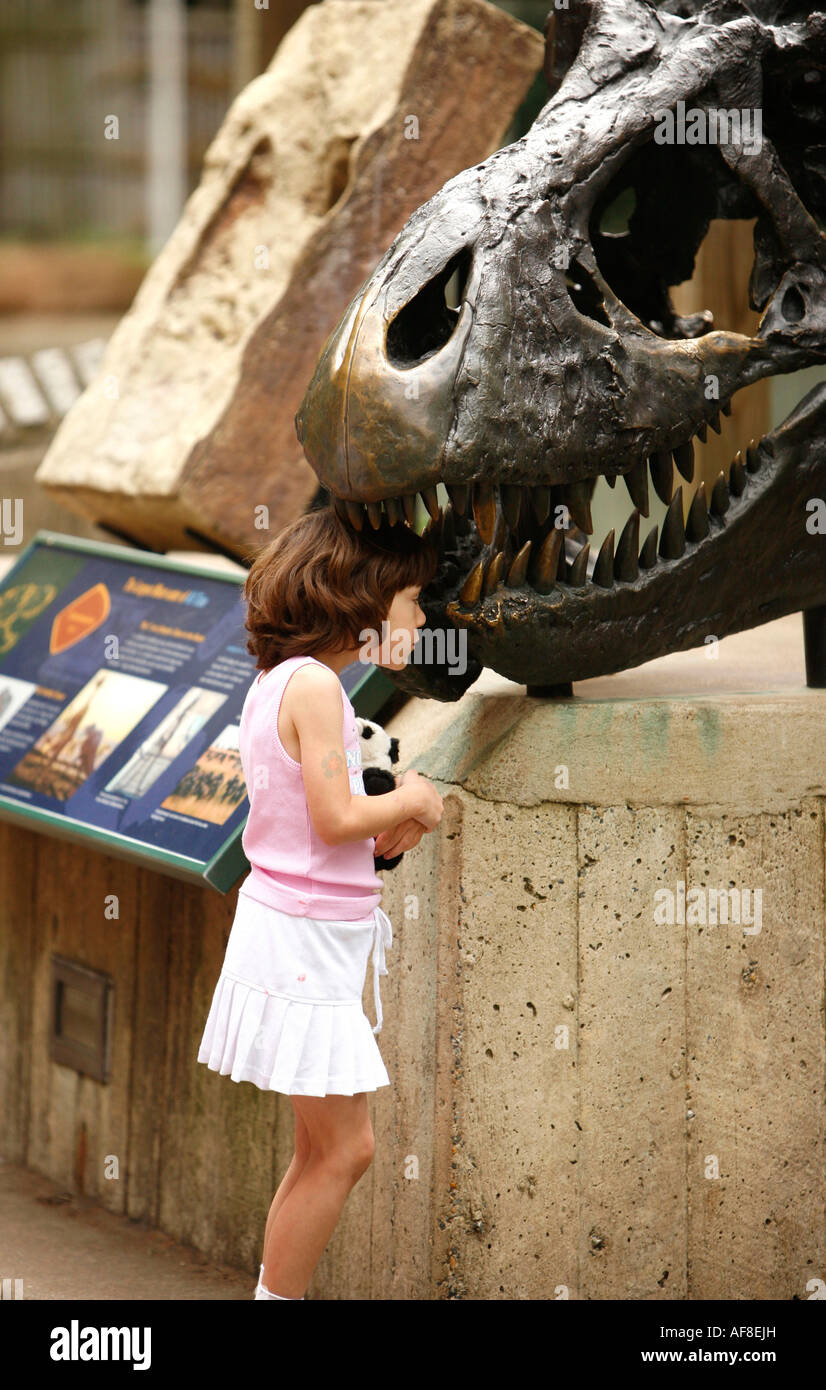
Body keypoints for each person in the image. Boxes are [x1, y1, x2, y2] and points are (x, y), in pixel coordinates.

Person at [196, 505, 444, 1300]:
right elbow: (337, 816)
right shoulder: (316, 689)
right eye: (412, 600)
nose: (421, 617)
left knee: (319, 1149)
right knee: (346, 1150)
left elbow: (314, 829)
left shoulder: (283, 682)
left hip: (300, 933)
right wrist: (416, 796)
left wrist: (385, 828)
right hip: (302, 944)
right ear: (363, 599)